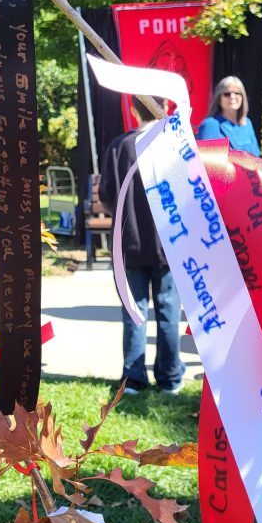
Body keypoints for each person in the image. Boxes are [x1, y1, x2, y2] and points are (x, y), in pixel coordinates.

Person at [99, 97, 186, 395]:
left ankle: (133, 378)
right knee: (168, 310)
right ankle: (170, 377)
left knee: (133, 311)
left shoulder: (118, 146)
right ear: (163, 107)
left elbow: (107, 195)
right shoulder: (173, 145)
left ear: (133, 110)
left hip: (128, 242)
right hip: (168, 243)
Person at [195, 76, 261, 155]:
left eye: (237, 93)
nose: (232, 97)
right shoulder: (209, 125)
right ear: (219, 98)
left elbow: (257, 156)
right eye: (227, 94)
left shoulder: (247, 123)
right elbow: (205, 160)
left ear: (242, 97)